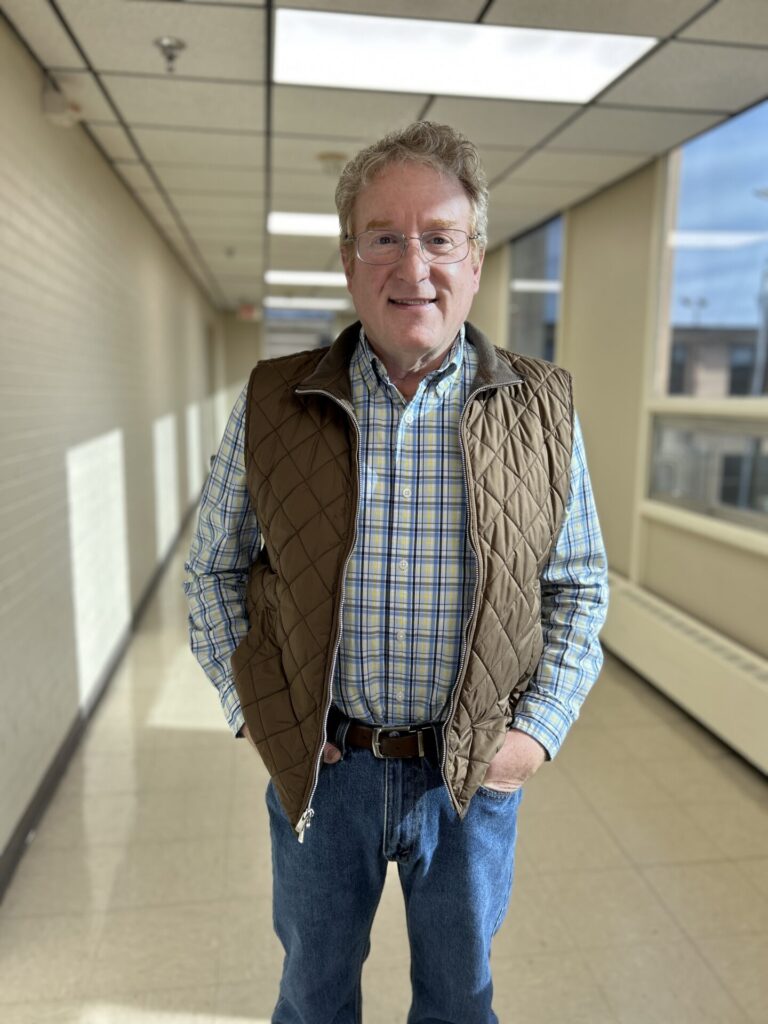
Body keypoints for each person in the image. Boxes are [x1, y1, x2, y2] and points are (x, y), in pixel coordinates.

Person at [184, 121, 608, 1024]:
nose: (413, 265)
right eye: (385, 236)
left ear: (476, 260)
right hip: (323, 771)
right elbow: (211, 574)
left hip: (466, 778)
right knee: (312, 998)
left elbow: (577, 587)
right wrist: (255, 711)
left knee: (459, 1003)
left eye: (439, 237)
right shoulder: (274, 402)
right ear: (350, 261)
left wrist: (535, 733)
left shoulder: (544, 410)